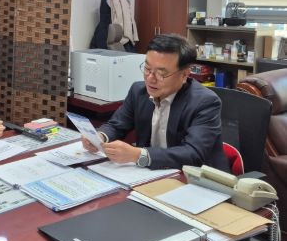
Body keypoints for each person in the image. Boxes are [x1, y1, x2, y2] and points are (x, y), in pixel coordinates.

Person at [82, 33, 229, 171]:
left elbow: (193, 154)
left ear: (184, 75)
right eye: (147, 69)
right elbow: (116, 125)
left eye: (161, 73)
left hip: (195, 178)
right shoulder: (138, 92)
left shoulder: (205, 102)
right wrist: (100, 137)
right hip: (151, 174)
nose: (150, 78)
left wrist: (138, 155)